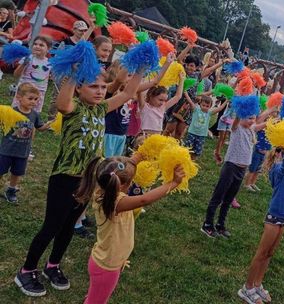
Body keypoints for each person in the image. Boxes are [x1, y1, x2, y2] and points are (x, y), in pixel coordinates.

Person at [14, 65, 144, 297]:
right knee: (52, 226)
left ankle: (52, 265)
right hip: (64, 179)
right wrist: (75, 71)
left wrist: (143, 65)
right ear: (79, 88)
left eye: (103, 87)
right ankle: (26, 270)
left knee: (68, 225)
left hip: (87, 180)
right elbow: (63, 103)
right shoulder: (73, 108)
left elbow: (125, 94)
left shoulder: (101, 109)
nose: (100, 91)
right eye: (93, 86)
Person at [76, 156, 185, 304]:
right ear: (121, 186)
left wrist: (140, 155)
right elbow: (144, 200)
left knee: (96, 297)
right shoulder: (116, 202)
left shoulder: (102, 191)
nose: (132, 183)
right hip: (107, 267)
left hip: (106, 261)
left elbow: (119, 167)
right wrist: (173, 183)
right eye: (131, 181)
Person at [237, 141, 284, 304]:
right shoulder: (280, 169)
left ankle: (258, 284)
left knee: (270, 253)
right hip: (274, 217)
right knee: (262, 253)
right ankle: (247, 288)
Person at [201, 107, 276, 238]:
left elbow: (264, 120)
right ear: (240, 117)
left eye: (253, 118)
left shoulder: (252, 129)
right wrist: (241, 108)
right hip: (231, 167)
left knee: (229, 199)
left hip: (242, 170)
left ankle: (220, 224)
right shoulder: (236, 128)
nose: (252, 121)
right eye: (249, 118)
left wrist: (273, 112)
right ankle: (207, 224)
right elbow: (237, 120)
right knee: (218, 197)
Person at [1, 83, 51, 203]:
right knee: (1, 169)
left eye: (36, 99)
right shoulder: (10, 111)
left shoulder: (34, 115)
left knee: (17, 172)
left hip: (23, 151)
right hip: (6, 149)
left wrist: (49, 124)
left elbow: (40, 128)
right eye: (30, 98)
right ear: (19, 97)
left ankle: (11, 189)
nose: (33, 102)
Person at [12, 35, 52, 113]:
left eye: (41, 45)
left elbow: (52, 76)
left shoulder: (50, 63)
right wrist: (23, 64)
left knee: (33, 114)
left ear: (48, 49)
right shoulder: (28, 58)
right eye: (35, 44)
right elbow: (16, 75)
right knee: (17, 112)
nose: (37, 46)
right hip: (24, 92)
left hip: (39, 93)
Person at [183, 95, 228, 160]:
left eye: (207, 106)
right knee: (187, 149)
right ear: (200, 104)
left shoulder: (209, 113)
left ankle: (192, 161)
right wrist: (186, 94)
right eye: (203, 105)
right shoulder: (196, 110)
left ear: (210, 106)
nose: (205, 107)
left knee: (197, 151)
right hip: (192, 133)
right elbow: (190, 102)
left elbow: (220, 108)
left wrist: (226, 101)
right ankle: (186, 160)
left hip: (201, 135)